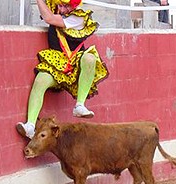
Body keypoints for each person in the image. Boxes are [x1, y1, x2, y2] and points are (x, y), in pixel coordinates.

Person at [16, 0, 109, 139]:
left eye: (67, 6)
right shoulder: (56, 8)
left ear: (75, 6)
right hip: (58, 63)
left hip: (76, 66)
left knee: (90, 58)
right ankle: (30, 126)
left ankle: (80, 105)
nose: (62, 9)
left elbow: (49, 18)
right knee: (40, 80)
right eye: (61, 5)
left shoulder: (78, 17)